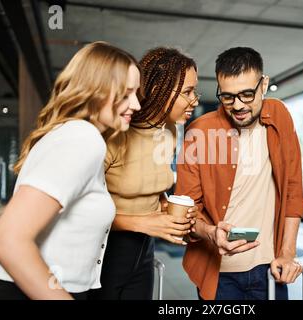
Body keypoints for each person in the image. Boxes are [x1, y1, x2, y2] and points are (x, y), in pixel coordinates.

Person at [0, 41, 141, 300]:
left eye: (136, 93)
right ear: (96, 91)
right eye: (125, 94)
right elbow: (7, 241)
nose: (136, 104)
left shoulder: (69, 134)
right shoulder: (82, 138)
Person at [175, 47, 303, 300]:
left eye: (247, 94)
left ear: (264, 84)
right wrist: (211, 233)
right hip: (219, 274)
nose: (238, 105)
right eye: (227, 97)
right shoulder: (200, 131)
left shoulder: (279, 116)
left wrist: (287, 253)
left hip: (269, 269)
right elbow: (186, 209)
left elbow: (292, 190)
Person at [89, 47, 200, 300]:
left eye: (194, 91)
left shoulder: (171, 130)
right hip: (104, 252)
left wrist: (165, 205)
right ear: (157, 89)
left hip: (145, 250)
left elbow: (149, 179)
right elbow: (82, 211)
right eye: (187, 92)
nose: (194, 100)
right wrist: (144, 222)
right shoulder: (113, 134)